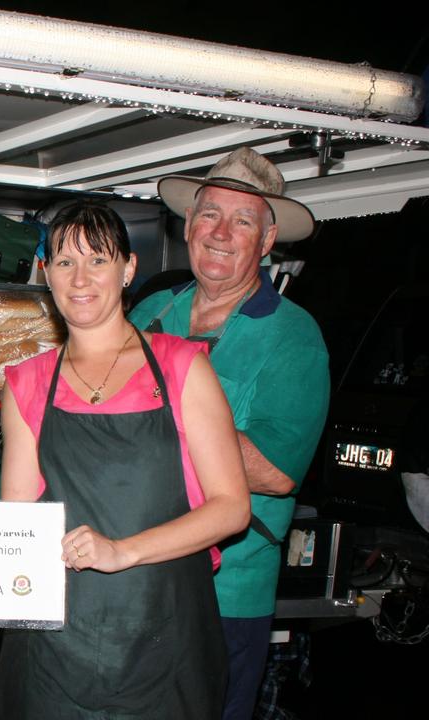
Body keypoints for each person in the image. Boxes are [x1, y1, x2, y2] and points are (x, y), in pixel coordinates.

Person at [0, 201, 250, 718]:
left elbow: (231, 508)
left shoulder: (182, 367)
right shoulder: (27, 382)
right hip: (54, 649)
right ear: (46, 274)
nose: (81, 278)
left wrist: (123, 551)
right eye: (65, 262)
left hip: (168, 639)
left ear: (128, 269)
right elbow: (10, 528)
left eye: (98, 260)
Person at [130, 147, 330, 720]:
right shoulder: (149, 312)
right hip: (128, 573)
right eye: (210, 214)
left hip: (223, 594)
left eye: (243, 221)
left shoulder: (294, 336)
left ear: (267, 242)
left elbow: (276, 469)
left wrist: (158, 413)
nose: (221, 232)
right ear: (187, 225)